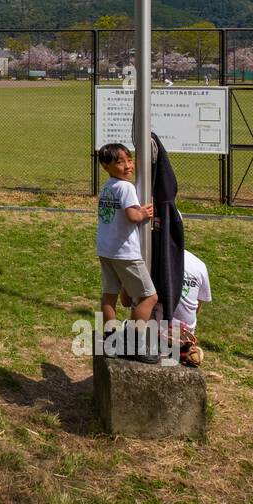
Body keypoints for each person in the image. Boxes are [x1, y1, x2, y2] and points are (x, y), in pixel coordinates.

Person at [95, 142, 158, 362]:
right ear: (106, 166)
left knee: (109, 294)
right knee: (149, 296)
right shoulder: (126, 188)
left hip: (106, 249)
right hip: (125, 253)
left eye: (129, 160)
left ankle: (111, 337)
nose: (127, 166)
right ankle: (134, 345)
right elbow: (132, 216)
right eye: (119, 162)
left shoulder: (106, 187)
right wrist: (144, 213)